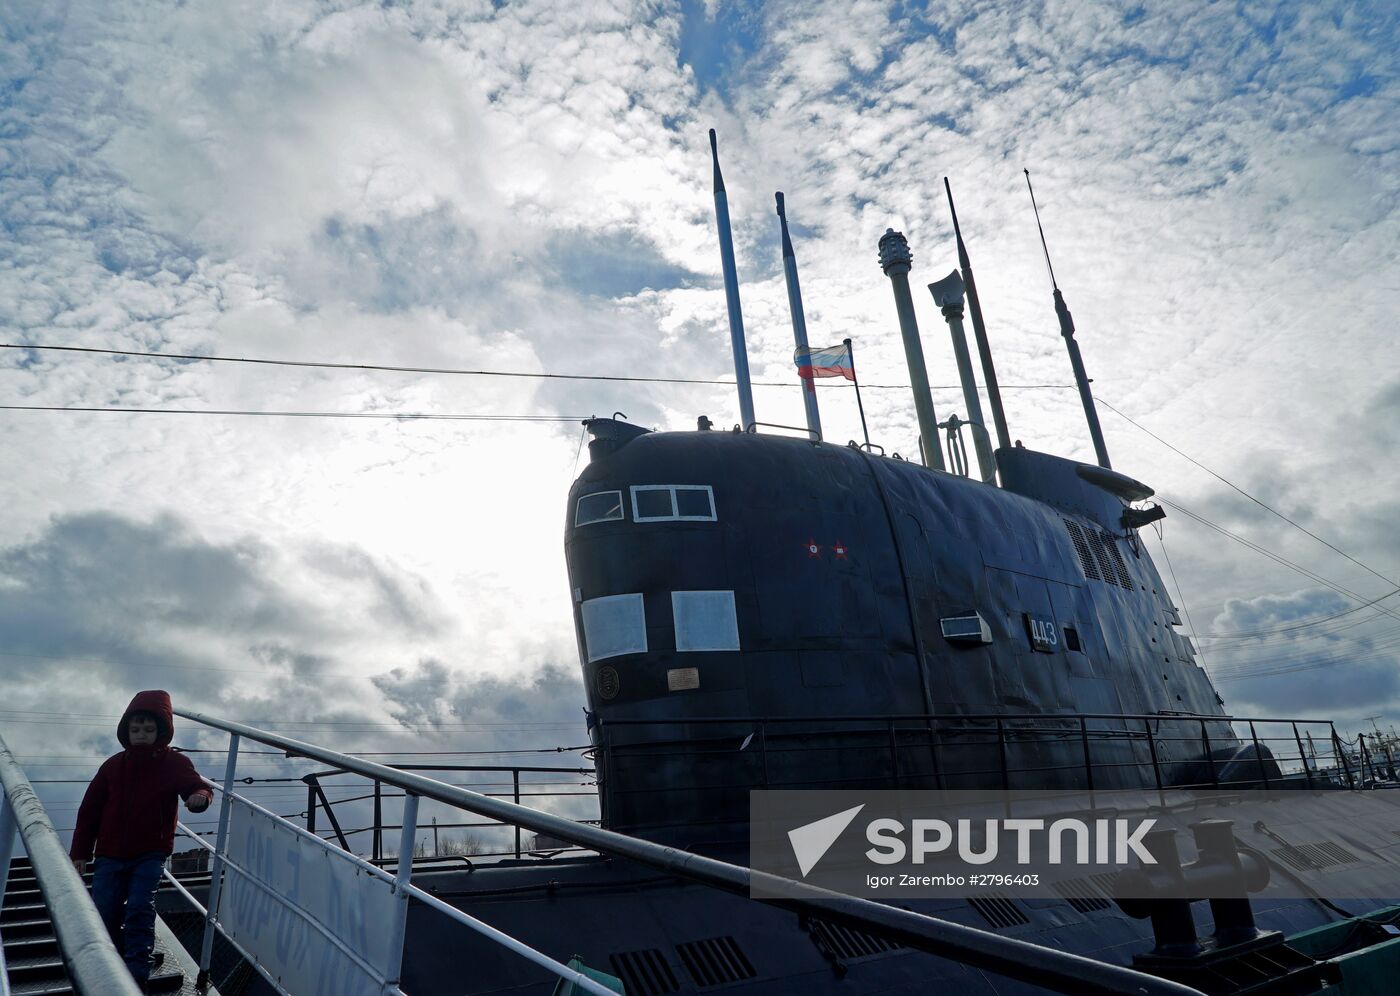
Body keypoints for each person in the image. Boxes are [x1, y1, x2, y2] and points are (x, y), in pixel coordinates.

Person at [69, 691, 213, 989]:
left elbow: (194, 785)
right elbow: (89, 812)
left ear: (161, 732)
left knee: (138, 906)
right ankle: (113, 960)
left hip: (150, 852)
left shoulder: (174, 763)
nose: (142, 735)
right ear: (126, 731)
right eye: (136, 730)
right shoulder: (112, 766)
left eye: (149, 730)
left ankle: (137, 965)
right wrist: (80, 852)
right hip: (109, 853)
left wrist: (200, 796)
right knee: (103, 910)